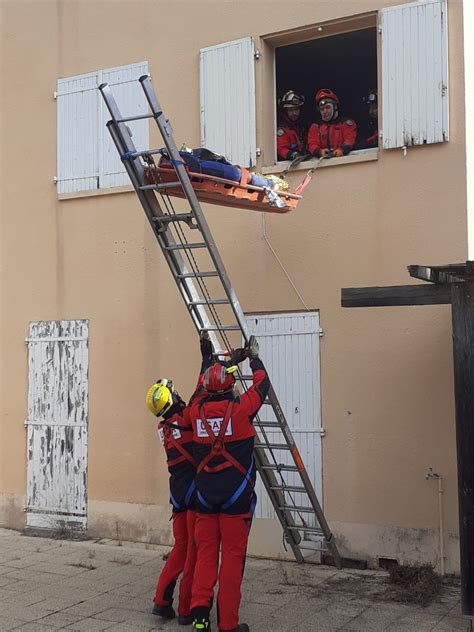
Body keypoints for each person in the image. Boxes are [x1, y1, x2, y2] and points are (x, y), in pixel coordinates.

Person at [189, 336, 270, 632]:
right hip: (236, 502)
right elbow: (262, 385)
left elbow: (200, 389)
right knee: (232, 562)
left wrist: (207, 361)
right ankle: (228, 625)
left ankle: (199, 618)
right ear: (230, 387)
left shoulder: (194, 411)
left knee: (206, 557)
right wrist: (253, 358)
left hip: (205, 500)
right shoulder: (241, 410)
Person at [146, 337, 213, 625]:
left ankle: (161, 601)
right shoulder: (185, 418)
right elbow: (200, 393)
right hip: (193, 496)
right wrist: (206, 361)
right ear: (171, 399)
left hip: (177, 494)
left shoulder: (165, 428)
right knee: (194, 551)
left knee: (180, 547)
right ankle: (186, 610)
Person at [307, 88, 357, 158]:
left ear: (335, 107)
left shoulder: (346, 124)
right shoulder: (315, 127)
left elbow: (349, 140)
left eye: (328, 108)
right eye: (322, 109)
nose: (325, 111)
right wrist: (320, 151)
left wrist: (342, 150)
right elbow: (312, 144)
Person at [276, 90, 306, 162]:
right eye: (290, 110)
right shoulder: (282, 129)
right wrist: (292, 154)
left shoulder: (302, 126)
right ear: (285, 111)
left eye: (296, 109)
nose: (294, 113)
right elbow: (280, 148)